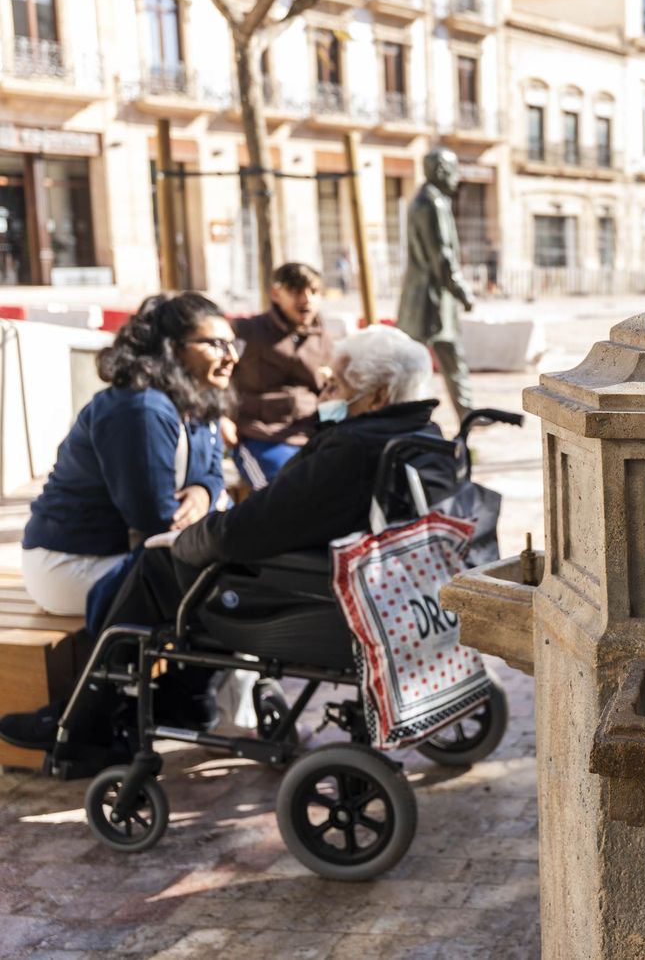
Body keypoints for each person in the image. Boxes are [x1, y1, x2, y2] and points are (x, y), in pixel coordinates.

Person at [0, 326, 443, 763]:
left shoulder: (351, 448)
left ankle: (89, 723)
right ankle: (183, 699)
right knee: (193, 568)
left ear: (378, 397)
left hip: (312, 586)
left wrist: (192, 538)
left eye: (336, 386)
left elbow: (256, 526)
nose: (324, 394)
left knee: (161, 565)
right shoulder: (420, 432)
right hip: (354, 578)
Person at [18, 292, 230, 624]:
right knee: (222, 591)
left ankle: (214, 676)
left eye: (233, 344)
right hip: (74, 562)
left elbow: (215, 470)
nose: (231, 356)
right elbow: (153, 517)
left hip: (135, 552)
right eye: (216, 344)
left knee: (232, 578)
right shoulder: (140, 408)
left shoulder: (199, 400)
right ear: (173, 349)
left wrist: (204, 490)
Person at [231, 262, 334, 487]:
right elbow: (217, 377)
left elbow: (331, 389)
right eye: (296, 291)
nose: (306, 300)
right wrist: (222, 418)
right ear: (276, 294)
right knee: (280, 494)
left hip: (313, 433)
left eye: (314, 292)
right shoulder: (248, 332)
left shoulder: (324, 338)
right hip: (261, 435)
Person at [399, 147, 476, 421]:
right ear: (442, 171)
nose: (458, 177)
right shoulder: (432, 203)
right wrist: (463, 291)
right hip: (428, 298)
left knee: (451, 354)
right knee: (412, 361)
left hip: (435, 297)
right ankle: (406, 413)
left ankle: (467, 411)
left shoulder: (429, 200)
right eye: (455, 170)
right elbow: (441, 255)